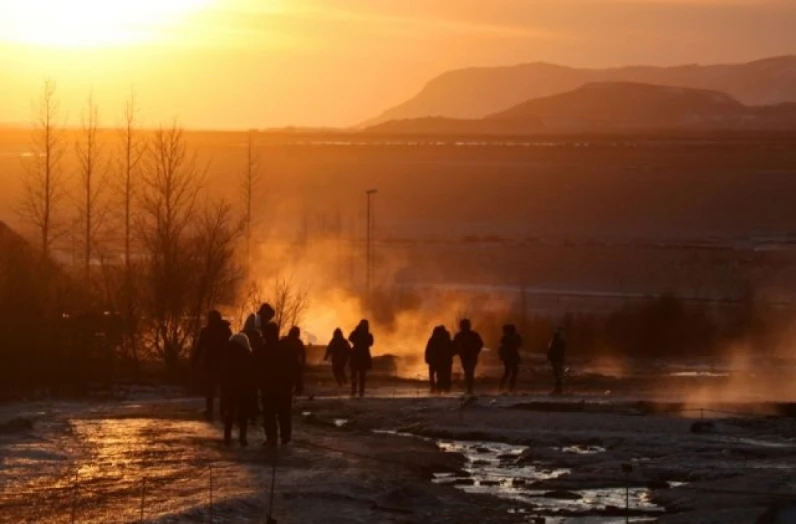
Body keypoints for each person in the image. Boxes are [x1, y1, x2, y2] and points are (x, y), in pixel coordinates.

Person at [260, 322, 300, 446]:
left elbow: (255, 369)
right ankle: (285, 436)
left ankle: (272, 437)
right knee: (284, 413)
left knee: (269, 413)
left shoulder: (263, 350)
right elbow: (296, 367)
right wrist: (298, 384)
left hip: (269, 387)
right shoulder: (287, 349)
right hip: (284, 387)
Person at [192, 310, 232, 421]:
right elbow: (231, 347)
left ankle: (210, 411)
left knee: (211, 388)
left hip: (211, 363)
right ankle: (223, 411)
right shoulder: (226, 330)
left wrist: (193, 362)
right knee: (223, 388)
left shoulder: (206, 331)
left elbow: (200, 347)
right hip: (223, 363)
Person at [221, 332, 257, 446]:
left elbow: (223, 371)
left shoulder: (227, 354)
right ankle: (242, 438)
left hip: (230, 386)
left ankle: (227, 437)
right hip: (244, 387)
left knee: (230, 412)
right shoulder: (248, 355)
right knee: (243, 413)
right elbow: (252, 373)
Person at [453, 318, 484, 396]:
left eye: (465, 325)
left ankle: (469, 388)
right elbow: (454, 345)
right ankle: (469, 388)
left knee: (469, 371)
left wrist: (474, 350)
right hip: (466, 356)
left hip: (471, 356)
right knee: (468, 371)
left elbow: (480, 344)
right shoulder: (462, 335)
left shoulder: (472, 335)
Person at [348, 320, 374, 398]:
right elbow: (350, 338)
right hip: (359, 356)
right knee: (357, 375)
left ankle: (358, 391)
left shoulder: (366, 334)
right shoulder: (359, 333)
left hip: (360, 356)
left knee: (360, 375)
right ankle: (356, 390)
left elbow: (371, 343)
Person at [425, 325, 454, 393]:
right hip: (443, 361)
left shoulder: (433, 339)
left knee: (435, 375)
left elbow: (428, 350)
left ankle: (436, 388)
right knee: (443, 375)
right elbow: (452, 349)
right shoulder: (446, 339)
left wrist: (427, 358)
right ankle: (443, 388)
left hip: (436, 360)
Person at [282, 326, 307, 397]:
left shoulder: (286, 340)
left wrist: (303, 362)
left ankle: (297, 390)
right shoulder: (286, 340)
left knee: (297, 378)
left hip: (292, 363)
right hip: (288, 363)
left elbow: (303, 353)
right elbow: (303, 353)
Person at [499, 324, 523, 393]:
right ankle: (507, 388)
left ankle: (506, 388)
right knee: (510, 373)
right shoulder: (507, 337)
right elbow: (519, 344)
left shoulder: (506, 337)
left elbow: (518, 344)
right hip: (510, 357)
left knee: (510, 373)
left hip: (511, 357)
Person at [547, 326, 567, 395]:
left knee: (558, 374)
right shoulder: (556, 339)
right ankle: (558, 389)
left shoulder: (559, 340)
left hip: (557, 359)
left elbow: (559, 350)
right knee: (557, 374)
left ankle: (558, 389)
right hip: (556, 359)